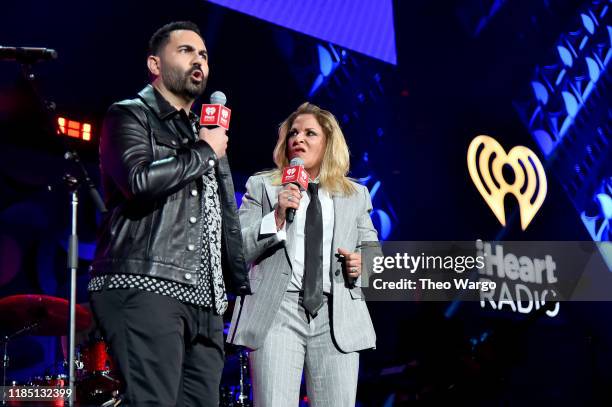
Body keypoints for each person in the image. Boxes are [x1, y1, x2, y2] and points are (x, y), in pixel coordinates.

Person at [88, 21, 250, 407]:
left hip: (206, 300)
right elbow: (138, 180)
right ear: (155, 65)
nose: (199, 60)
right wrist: (205, 152)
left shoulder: (205, 132)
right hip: (147, 281)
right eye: (186, 50)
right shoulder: (129, 115)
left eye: (204, 55)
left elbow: (221, 217)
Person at [228, 102, 378, 406]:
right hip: (278, 311)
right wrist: (278, 215)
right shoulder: (263, 187)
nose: (299, 138)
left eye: (310, 133)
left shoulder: (355, 195)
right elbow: (238, 249)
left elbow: (373, 253)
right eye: (293, 133)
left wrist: (363, 264)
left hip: (336, 316)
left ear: (328, 143)